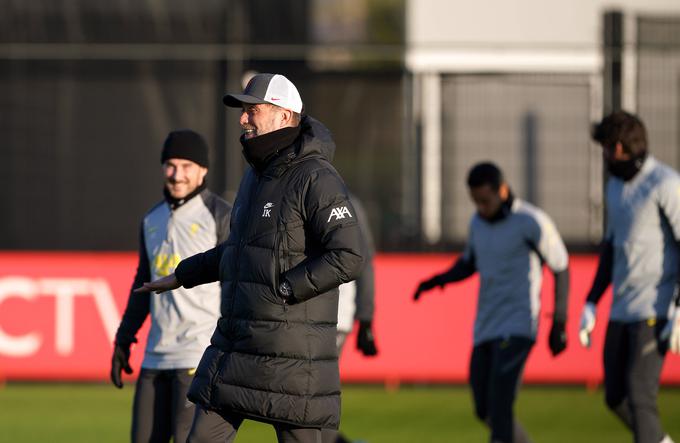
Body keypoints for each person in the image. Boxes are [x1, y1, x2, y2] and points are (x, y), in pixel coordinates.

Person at [135, 73, 364, 443]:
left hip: (291, 361)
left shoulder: (316, 176)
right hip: (236, 348)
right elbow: (239, 253)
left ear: (284, 115)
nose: (243, 119)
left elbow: (348, 254)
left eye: (251, 110)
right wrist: (182, 274)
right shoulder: (253, 177)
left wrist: (285, 288)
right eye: (242, 111)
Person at [413, 161, 570, 443]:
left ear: (503, 190)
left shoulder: (530, 221)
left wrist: (559, 320)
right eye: (476, 202)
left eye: (486, 201)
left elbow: (561, 265)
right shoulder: (477, 223)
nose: (481, 208)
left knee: (500, 407)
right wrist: (435, 281)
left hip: (519, 325)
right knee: (484, 409)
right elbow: (468, 264)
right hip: (486, 326)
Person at [110, 129, 232, 443]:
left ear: (203, 170)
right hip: (154, 357)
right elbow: (143, 283)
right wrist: (124, 338)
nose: (177, 175)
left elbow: (237, 283)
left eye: (187, 166)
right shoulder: (151, 219)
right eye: (171, 165)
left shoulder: (220, 216)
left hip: (197, 355)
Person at [579, 110, 678, 443]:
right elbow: (611, 245)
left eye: (607, 148)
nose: (604, 155)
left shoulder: (665, 184)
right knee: (615, 396)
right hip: (622, 308)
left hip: (656, 306)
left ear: (621, 147)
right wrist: (592, 300)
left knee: (639, 395)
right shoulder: (615, 187)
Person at [335, 193, 378, 443]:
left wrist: (366, 318)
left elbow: (365, 261)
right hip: (303, 317)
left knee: (309, 396)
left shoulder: (347, 204)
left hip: (335, 317)